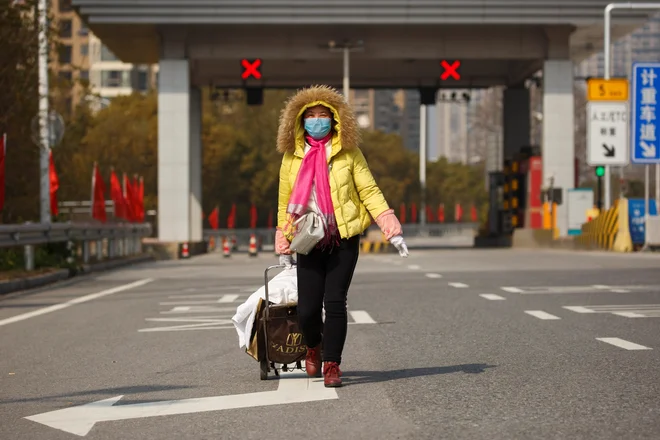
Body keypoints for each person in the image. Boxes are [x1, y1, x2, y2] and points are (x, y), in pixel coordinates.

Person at [275, 85, 408, 387]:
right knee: (308, 308)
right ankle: (313, 347)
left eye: (324, 115)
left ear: (335, 120)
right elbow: (285, 202)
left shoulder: (350, 153)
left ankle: (332, 363)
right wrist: (283, 236)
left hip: (343, 237)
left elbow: (369, 190)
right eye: (311, 116)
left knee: (335, 302)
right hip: (307, 238)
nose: (317, 121)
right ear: (300, 121)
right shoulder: (291, 157)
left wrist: (388, 222)